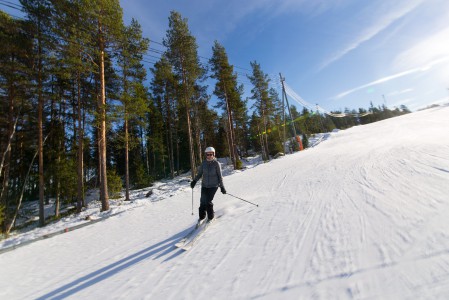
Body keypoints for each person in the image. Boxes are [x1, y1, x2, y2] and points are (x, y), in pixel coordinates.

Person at [190, 146, 226, 224]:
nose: (209, 156)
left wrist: (222, 187)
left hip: (214, 186)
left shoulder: (216, 164)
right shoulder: (204, 163)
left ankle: (210, 217)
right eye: (207, 154)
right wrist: (194, 181)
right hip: (204, 185)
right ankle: (201, 217)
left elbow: (220, 176)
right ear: (205, 155)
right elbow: (199, 174)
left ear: (213, 154)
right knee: (202, 201)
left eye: (211, 154)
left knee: (208, 201)